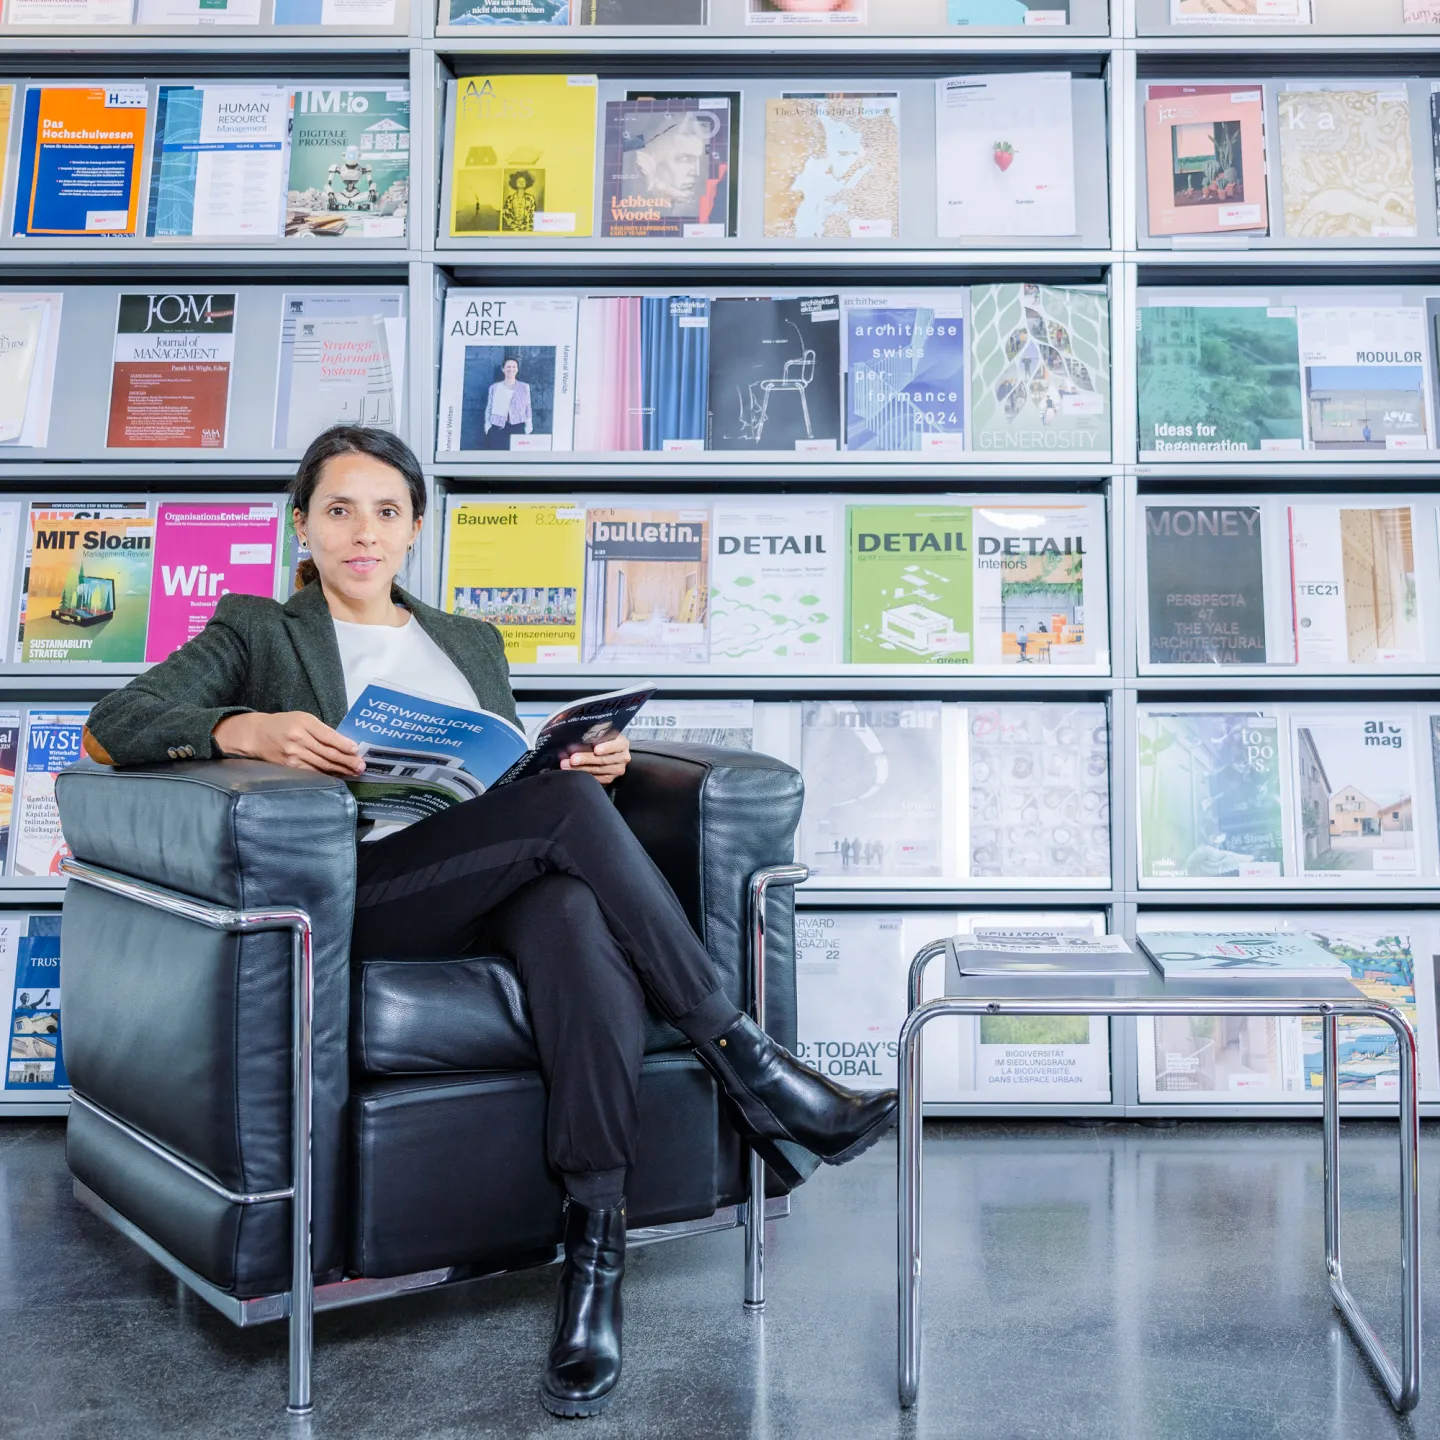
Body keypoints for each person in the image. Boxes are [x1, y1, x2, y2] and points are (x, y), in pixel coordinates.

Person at [79, 425, 896, 1421]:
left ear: (416, 526)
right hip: (359, 896)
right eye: (338, 510)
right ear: (304, 525)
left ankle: (593, 1263)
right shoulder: (258, 631)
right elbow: (111, 726)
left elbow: (501, 781)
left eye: (386, 511)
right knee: (561, 832)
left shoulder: (467, 643)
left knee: (572, 915)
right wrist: (238, 728)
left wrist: (574, 772)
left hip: (485, 877)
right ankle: (755, 1066)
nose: (362, 533)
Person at [483, 357, 532, 450]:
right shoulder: (494, 387)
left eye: (514, 367)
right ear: (503, 369)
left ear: (517, 369)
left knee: (517, 458)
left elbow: (528, 406)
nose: (511, 369)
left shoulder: (524, 387)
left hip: (518, 426)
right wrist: (488, 425)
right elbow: (489, 407)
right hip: (498, 427)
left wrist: (528, 424)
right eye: (508, 367)